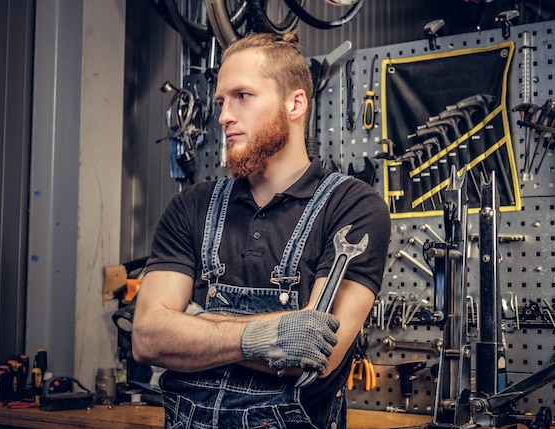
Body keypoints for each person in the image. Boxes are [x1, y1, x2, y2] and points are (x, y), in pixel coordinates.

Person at [132, 31, 391, 429]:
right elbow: (148, 337)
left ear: (295, 103)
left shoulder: (352, 207)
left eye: (243, 96)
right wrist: (262, 338)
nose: (223, 116)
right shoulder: (191, 206)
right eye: (221, 101)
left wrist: (195, 322)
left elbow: (316, 356)